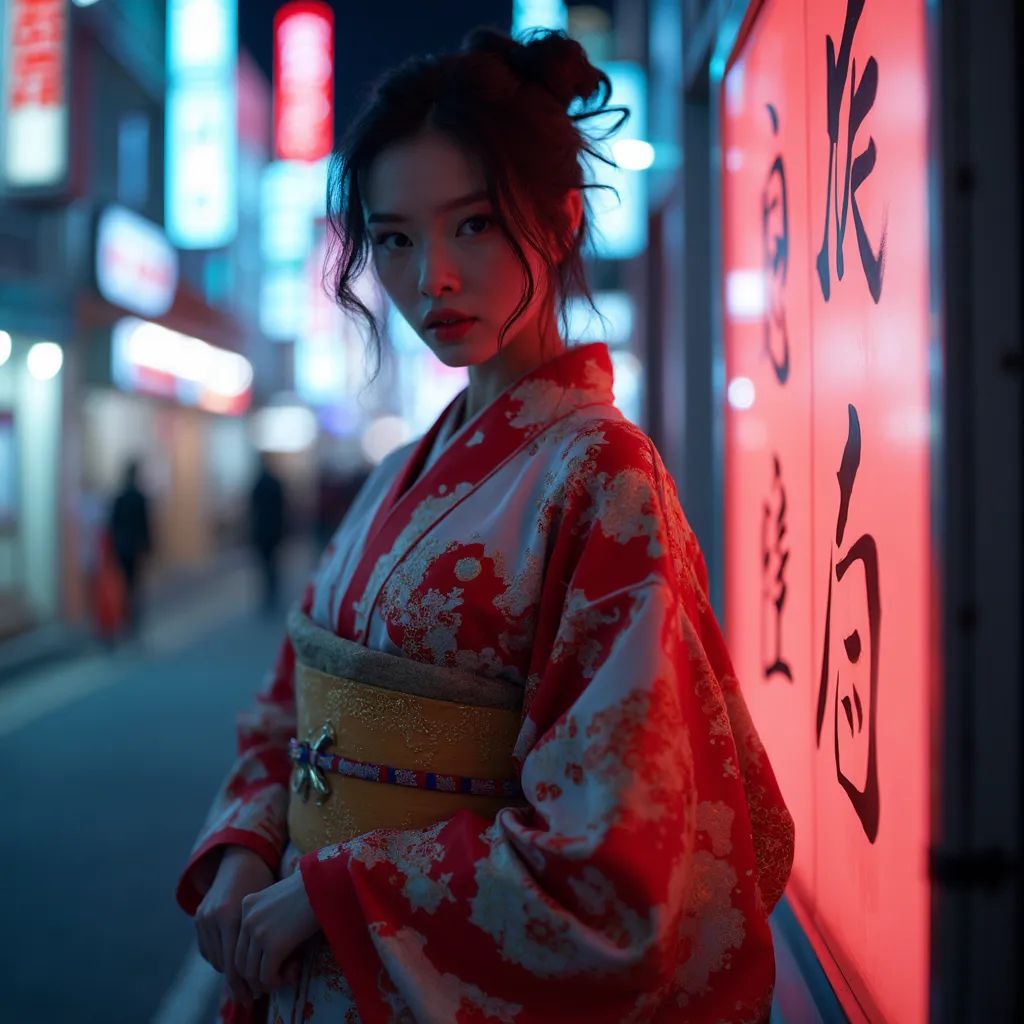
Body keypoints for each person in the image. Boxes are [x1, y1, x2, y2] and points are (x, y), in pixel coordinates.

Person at [177, 27, 794, 1024]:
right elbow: (287, 707)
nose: (433, 279)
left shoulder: (602, 477)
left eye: (472, 225)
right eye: (394, 239)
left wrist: (332, 891)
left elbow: (613, 848)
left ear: (555, 221)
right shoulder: (392, 476)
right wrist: (248, 848)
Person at [108, 459, 151, 638]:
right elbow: (145, 525)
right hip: (134, 547)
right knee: (133, 584)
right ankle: (132, 620)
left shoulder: (119, 498)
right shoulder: (139, 498)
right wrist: (148, 546)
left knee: (124, 583)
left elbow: (113, 524)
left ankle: (126, 618)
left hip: (121, 547)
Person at [249, 455, 287, 613]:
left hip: (261, 530)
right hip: (274, 530)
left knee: (265, 564)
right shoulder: (276, 483)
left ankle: (268, 593)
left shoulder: (256, 484)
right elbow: (283, 508)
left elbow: (252, 510)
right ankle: (273, 591)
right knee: (273, 563)